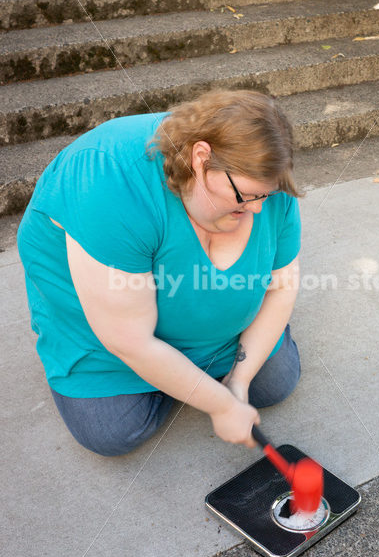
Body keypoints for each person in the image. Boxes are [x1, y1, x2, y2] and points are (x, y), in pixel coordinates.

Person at [16, 89, 304, 457]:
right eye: (247, 196)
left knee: (276, 384)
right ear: (201, 158)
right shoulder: (108, 180)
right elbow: (129, 339)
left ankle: (187, 368)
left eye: (267, 194)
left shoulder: (262, 183)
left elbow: (282, 286)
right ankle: (164, 370)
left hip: (200, 323)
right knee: (112, 432)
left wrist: (240, 381)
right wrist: (220, 404)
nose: (260, 210)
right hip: (111, 331)